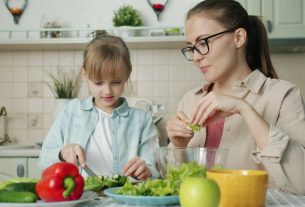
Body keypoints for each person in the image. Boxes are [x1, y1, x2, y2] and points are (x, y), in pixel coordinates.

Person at [166, 0, 305, 195]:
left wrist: (244, 109)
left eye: (203, 42)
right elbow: (174, 187)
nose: (196, 56)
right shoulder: (189, 100)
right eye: (191, 47)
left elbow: (302, 183)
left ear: (238, 38)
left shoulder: (283, 96)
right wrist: (180, 148)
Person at [39, 35, 159, 180]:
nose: (107, 91)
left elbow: (155, 168)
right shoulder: (72, 111)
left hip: (123, 200)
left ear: (127, 74)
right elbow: (43, 160)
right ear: (85, 74)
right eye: (98, 83)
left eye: (115, 82)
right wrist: (62, 153)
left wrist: (147, 171)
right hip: (81, 198)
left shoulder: (142, 120)